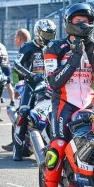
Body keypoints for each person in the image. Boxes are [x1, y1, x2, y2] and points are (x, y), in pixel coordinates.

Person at [41, 3, 94, 187]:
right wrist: (74, 59)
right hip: (64, 104)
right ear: (69, 23)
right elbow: (54, 81)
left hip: (90, 104)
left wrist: (91, 54)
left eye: (87, 21)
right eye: (78, 21)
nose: (83, 24)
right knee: (57, 149)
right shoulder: (54, 47)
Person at [12, 19, 57, 161]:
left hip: (50, 85)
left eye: (51, 34)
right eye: (45, 34)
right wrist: (31, 75)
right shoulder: (28, 47)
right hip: (31, 86)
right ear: (38, 33)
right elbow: (16, 65)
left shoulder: (54, 47)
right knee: (24, 112)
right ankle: (17, 149)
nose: (48, 37)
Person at [1, 28, 32, 152]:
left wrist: (18, 89)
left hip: (29, 87)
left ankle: (17, 143)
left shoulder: (25, 49)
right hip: (36, 85)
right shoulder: (35, 47)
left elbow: (18, 69)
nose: (15, 41)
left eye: (15, 38)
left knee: (21, 114)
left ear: (19, 39)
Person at [0, 34, 15, 106]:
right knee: (8, 84)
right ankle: (12, 100)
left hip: (0, 67)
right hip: (7, 65)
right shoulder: (3, 45)